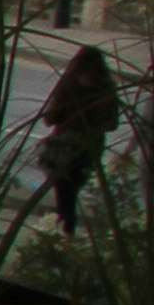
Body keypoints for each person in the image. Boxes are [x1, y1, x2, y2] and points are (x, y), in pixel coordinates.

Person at [44, 42, 122, 233]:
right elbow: (112, 124)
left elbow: (51, 117)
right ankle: (64, 230)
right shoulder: (107, 88)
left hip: (66, 149)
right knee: (71, 194)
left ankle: (63, 233)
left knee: (64, 195)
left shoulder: (70, 84)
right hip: (91, 149)